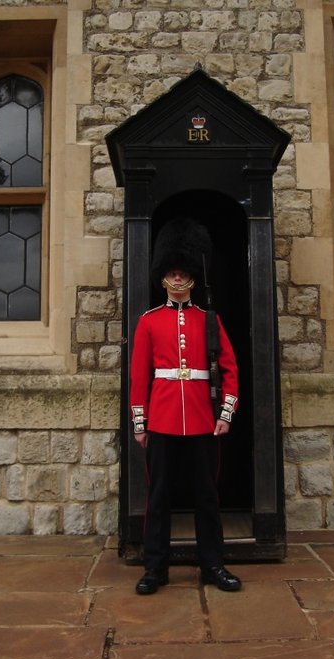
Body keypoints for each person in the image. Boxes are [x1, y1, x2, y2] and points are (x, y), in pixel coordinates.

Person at [129, 218, 242, 595]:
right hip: (160, 420)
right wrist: (140, 422)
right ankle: (155, 568)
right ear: (164, 278)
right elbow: (139, 376)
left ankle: (213, 564)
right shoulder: (148, 322)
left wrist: (224, 414)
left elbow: (229, 368)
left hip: (201, 421)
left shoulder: (209, 320)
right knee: (158, 497)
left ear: (192, 277)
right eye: (172, 274)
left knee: (206, 497)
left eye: (183, 273)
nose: (177, 279)